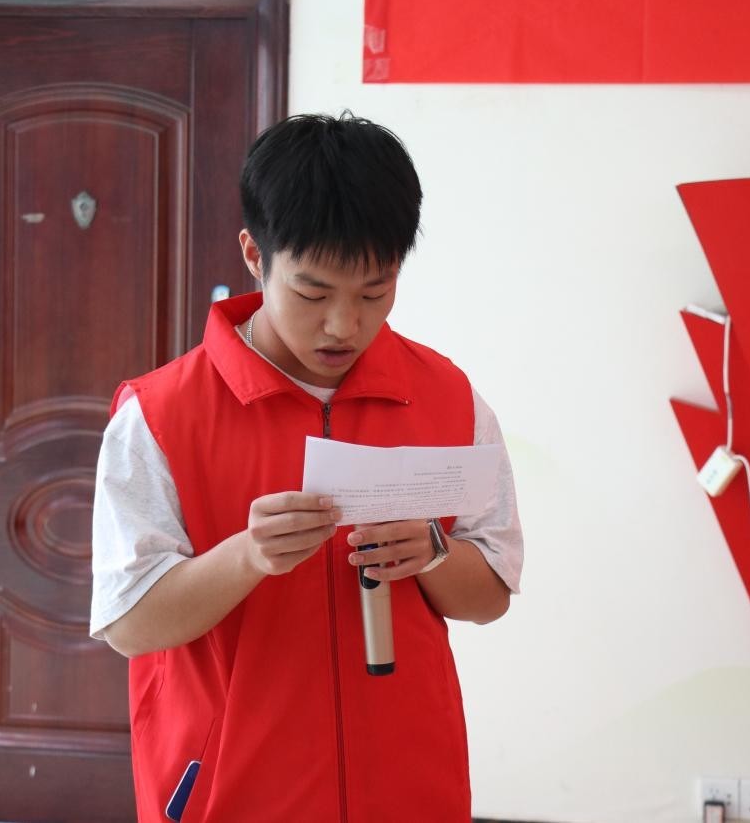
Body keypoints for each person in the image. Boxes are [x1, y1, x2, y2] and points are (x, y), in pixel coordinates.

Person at [90, 112, 524, 822]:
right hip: (230, 797)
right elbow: (129, 624)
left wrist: (434, 552)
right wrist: (247, 556)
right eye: (313, 293)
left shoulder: (449, 398)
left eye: (375, 292)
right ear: (254, 255)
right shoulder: (160, 414)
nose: (343, 326)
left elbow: (491, 597)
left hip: (409, 787)